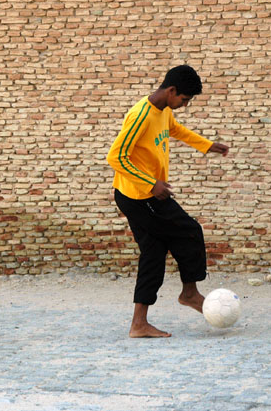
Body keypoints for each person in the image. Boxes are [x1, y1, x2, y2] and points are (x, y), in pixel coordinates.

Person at [107, 65, 229, 338]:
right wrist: (151, 183)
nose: (184, 106)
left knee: (153, 253)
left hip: (144, 194)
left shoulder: (163, 112)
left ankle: (139, 323)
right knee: (189, 230)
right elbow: (115, 156)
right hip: (139, 196)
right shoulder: (140, 115)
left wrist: (206, 145)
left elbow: (177, 130)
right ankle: (189, 293)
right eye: (184, 100)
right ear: (171, 91)